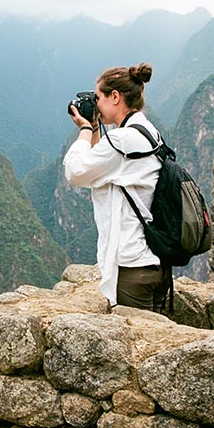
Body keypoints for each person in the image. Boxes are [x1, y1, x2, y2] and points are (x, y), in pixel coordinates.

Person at [63, 63, 169, 312]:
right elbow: (101, 169)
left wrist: (86, 129)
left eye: (98, 98)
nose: (95, 104)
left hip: (132, 268)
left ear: (115, 96)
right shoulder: (146, 132)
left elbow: (76, 171)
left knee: (136, 343)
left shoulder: (123, 140)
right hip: (152, 262)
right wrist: (98, 129)